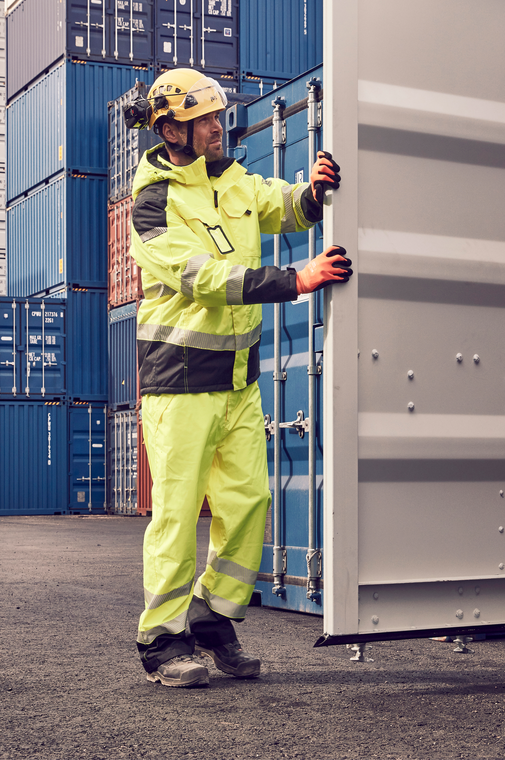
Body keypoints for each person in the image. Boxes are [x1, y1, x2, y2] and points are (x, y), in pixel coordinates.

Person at [124, 67, 352, 687]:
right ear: (170, 129)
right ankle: (161, 640)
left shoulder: (236, 179)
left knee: (248, 501)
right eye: (204, 120)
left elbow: (284, 209)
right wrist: (294, 281)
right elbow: (201, 277)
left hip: (238, 380)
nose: (217, 127)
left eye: (218, 117)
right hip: (179, 383)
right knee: (174, 514)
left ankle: (212, 618)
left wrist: (313, 193)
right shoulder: (153, 204)